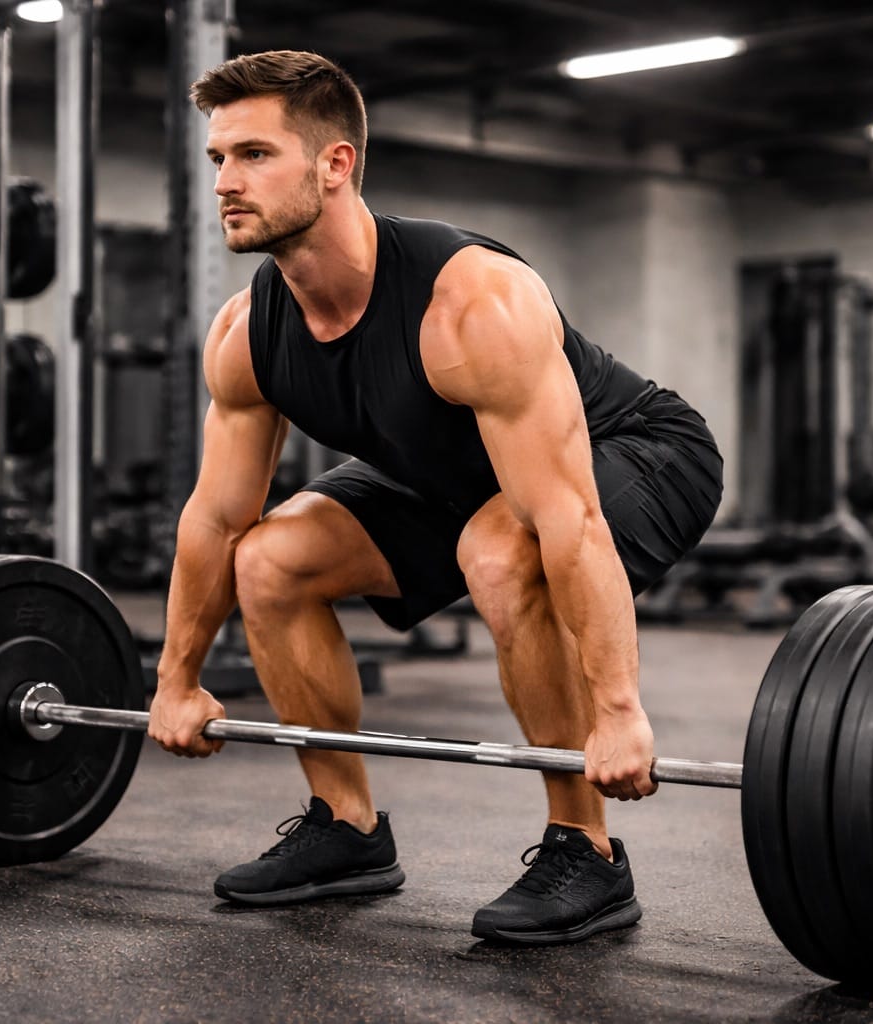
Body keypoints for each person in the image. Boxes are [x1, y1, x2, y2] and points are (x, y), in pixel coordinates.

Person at [146, 49, 723, 945]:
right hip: (447, 475)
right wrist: (176, 680)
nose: (225, 180)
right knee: (270, 558)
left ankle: (588, 850)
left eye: (254, 154)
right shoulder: (247, 333)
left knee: (501, 547)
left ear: (335, 165)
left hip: (637, 449)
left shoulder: (471, 304)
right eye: (218, 158)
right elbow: (216, 518)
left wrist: (617, 713)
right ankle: (346, 830)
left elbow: (564, 517)